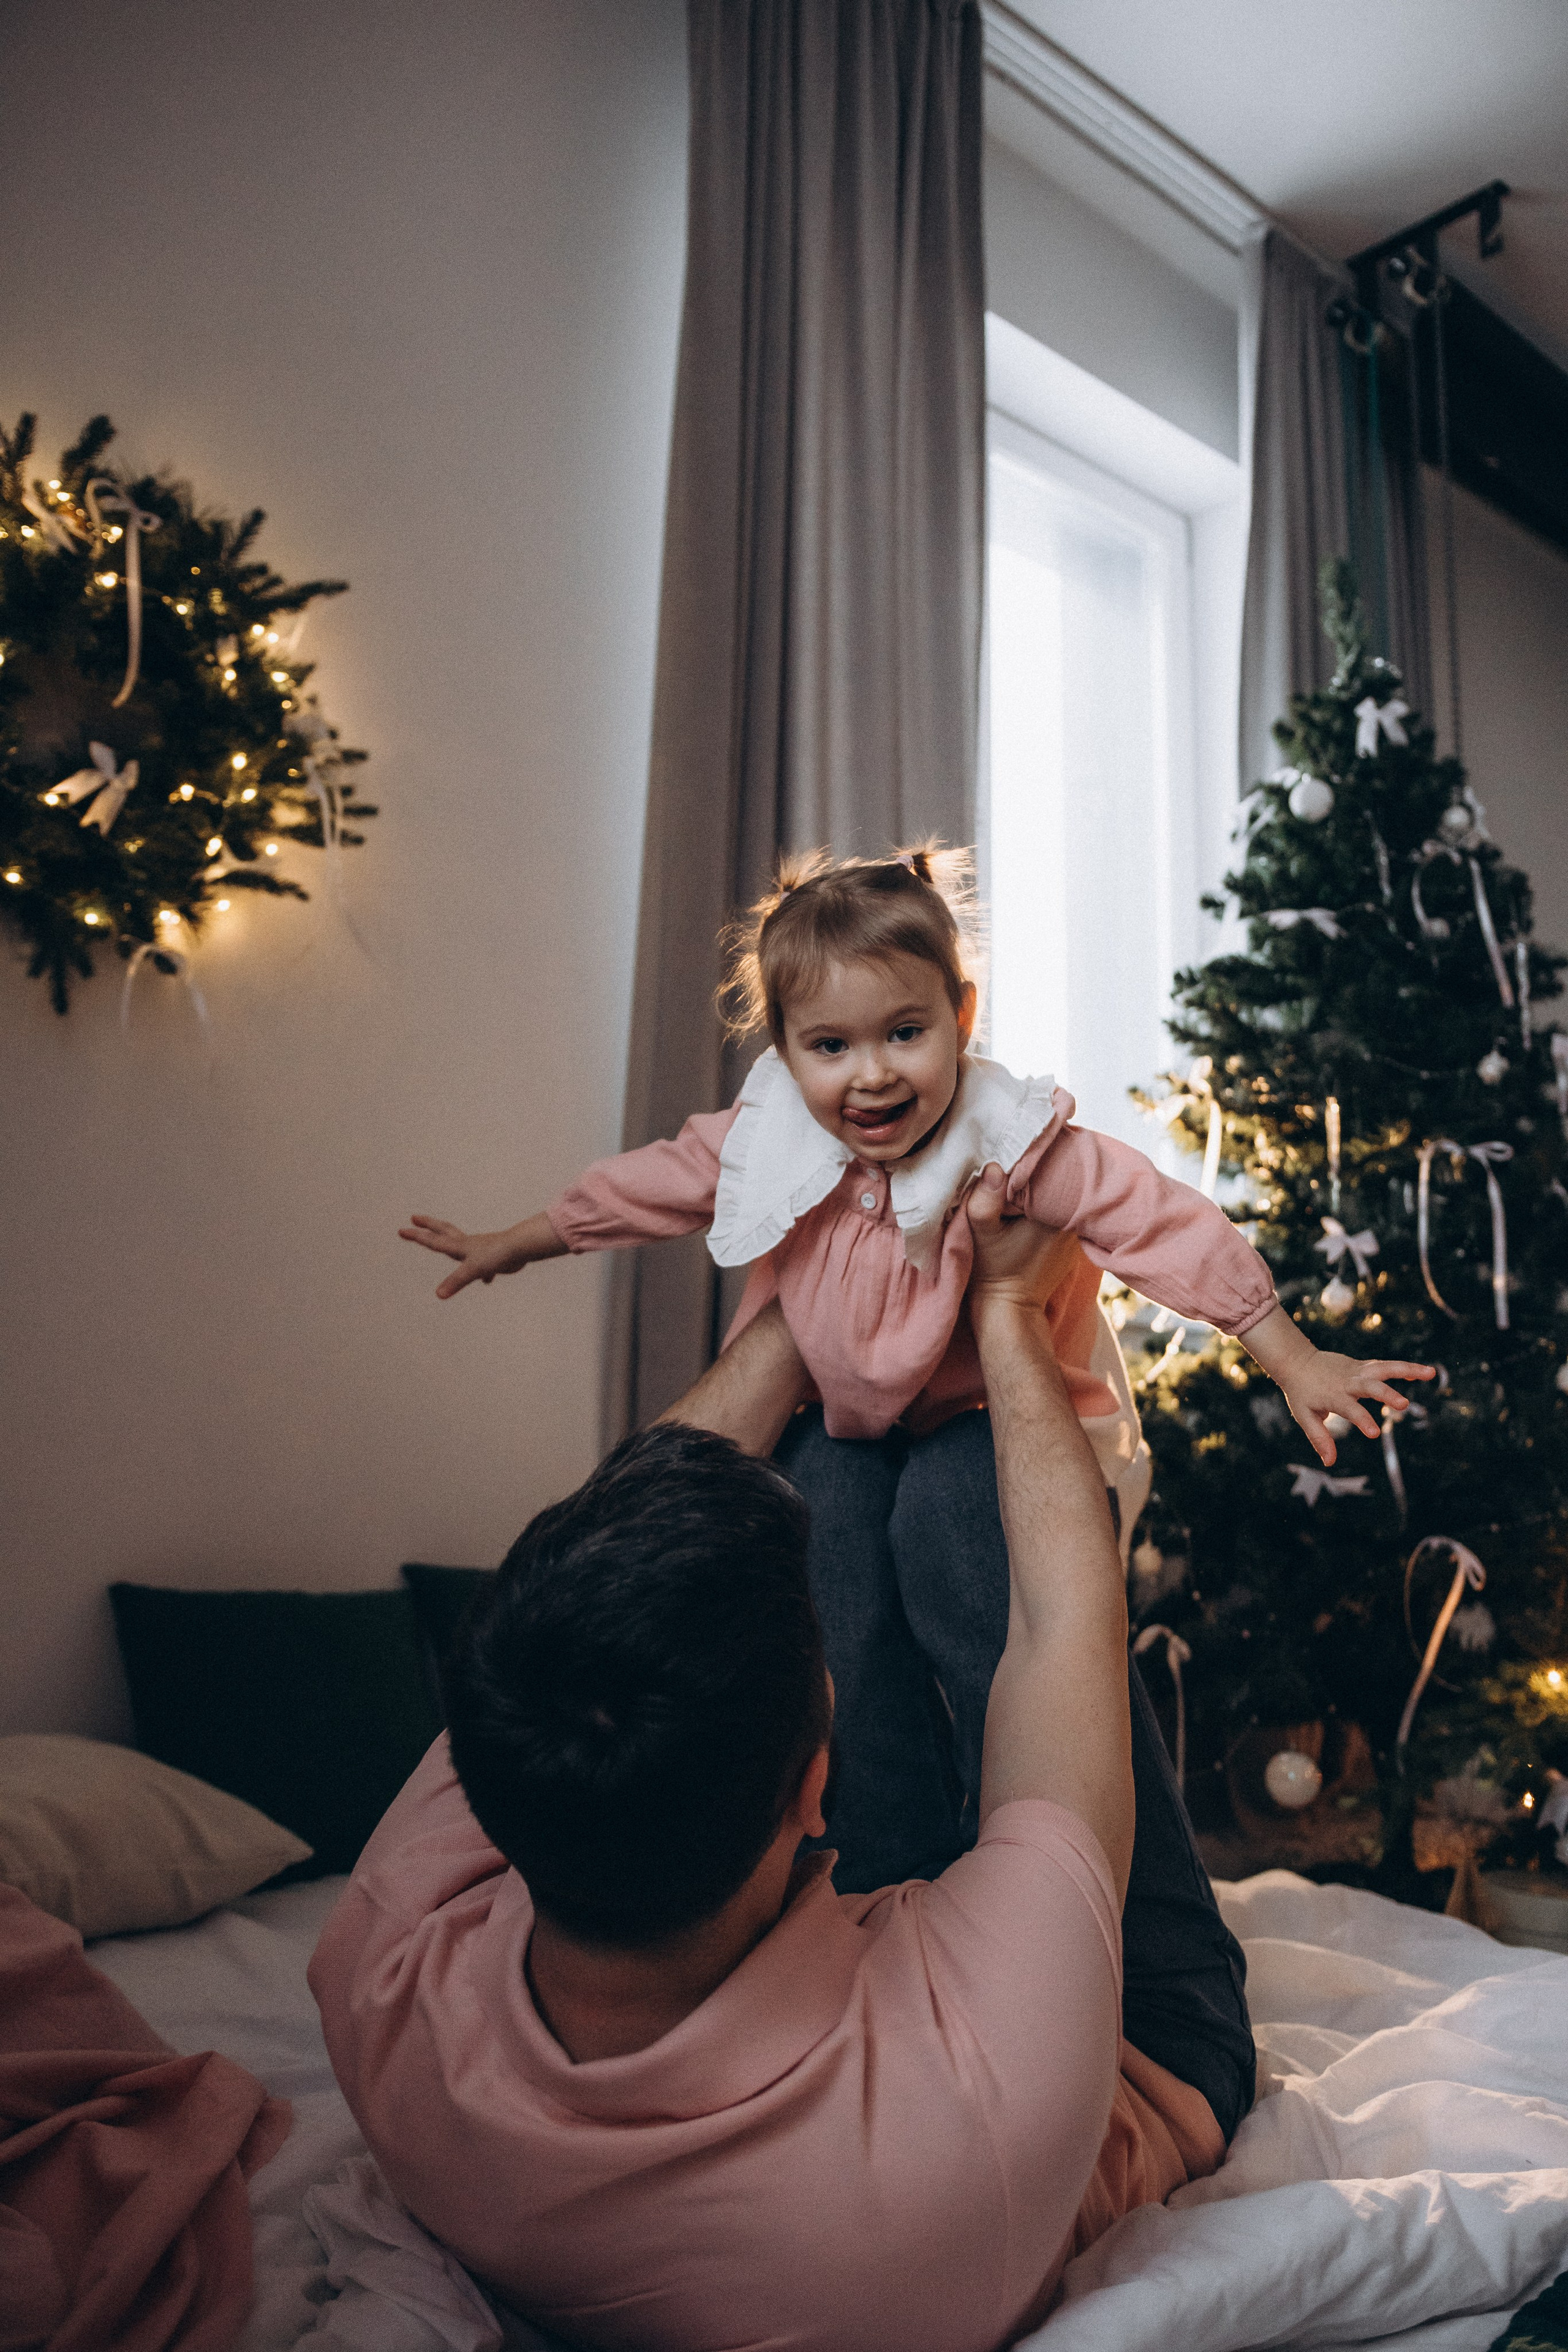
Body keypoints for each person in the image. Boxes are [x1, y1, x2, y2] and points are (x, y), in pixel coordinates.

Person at [313, 1172, 1254, 2352]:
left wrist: (821, 1291)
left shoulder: (378, 1969)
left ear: (480, 1787)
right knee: (964, 1497)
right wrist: (1008, 1309)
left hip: (896, 2033)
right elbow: (1066, 1621)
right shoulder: (971, 2112)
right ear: (822, 1791)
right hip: (1140, 2055)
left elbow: (614, 1547)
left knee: (844, 1475)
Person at [398, 845, 1432, 1883]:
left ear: (962, 1018)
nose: (874, 1072)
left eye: (906, 1031)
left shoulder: (1010, 1137)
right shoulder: (770, 1134)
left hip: (990, 1415)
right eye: (832, 1045)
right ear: (787, 1052)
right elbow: (651, 1186)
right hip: (845, 1424)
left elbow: (1160, 1220)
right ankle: (890, 1864)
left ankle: (1038, 1861)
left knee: (973, 1574)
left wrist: (1290, 1354)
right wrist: (520, 1238)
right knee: (828, 1595)